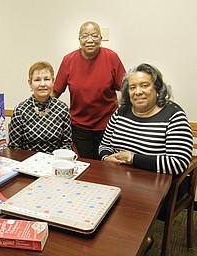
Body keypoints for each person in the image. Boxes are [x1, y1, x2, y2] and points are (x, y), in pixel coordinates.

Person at [99, 63, 193, 220]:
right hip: (121, 179)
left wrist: (132, 159)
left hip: (159, 185)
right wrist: (106, 157)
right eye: (132, 87)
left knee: (125, 211)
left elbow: (178, 163)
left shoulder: (173, 115)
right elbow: (104, 145)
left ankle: (141, 242)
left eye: (144, 85)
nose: (138, 92)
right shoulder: (121, 112)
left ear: (157, 88)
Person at [52, 21, 126, 160]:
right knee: (85, 164)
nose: (90, 40)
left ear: (101, 39)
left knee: (106, 165)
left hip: (108, 125)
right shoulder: (68, 60)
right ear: (79, 40)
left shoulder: (111, 57)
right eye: (85, 36)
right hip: (79, 126)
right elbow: (55, 92)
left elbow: (126, 90)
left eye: (94, 36)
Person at [8, 61, 72, 153]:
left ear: (53, 82)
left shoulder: (62, 108)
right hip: (28, 163)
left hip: (56, 162)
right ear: (30, 83)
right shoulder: (20, 110)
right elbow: (14, 148)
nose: (42, 84)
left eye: (46, 79)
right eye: (37, 80)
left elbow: (67, 144)